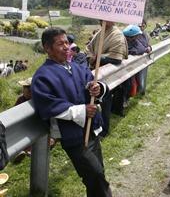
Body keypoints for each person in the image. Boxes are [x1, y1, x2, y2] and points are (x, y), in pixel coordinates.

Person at [31, 27, 112, 197]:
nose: (67, 47)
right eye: (61, 44)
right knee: (95, 174)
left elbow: (93, 83)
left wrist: (97, 89)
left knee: (97, 174)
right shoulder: (42, 76)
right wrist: (82, 111)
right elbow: (48, 105)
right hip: (72, 136)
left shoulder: (77, 67)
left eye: (67, 42)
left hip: (91, 129)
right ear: (47, 48)